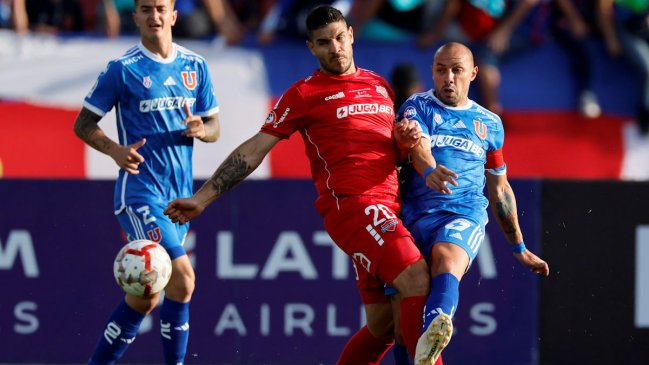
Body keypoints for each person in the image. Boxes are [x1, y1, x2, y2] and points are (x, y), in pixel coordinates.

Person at [164, 5, 437, 364]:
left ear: (351, 35)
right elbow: (254, 149)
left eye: (340, 38)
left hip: (391, 207)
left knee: (384, 324)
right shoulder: (304, 94)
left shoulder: (379, 85)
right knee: (417, 281)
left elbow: (394, 155)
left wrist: (404, 145)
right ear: (311, 47)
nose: (335, 48)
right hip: (354, 207)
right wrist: (203, 198)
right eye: (324, 43)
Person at [72, 0, 221, 363]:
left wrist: (203, 130)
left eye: (160, 8)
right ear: (135, 16)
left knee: (146, 296)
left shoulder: (195, 66)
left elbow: (215, 127)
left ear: (173, 15)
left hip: (178, 198)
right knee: (183, 278)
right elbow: (83, 124)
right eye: (145, 9)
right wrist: (114, 151)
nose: (153, 16)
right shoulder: (123, 69)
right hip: (139, 193)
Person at [392, 41, 550, 364]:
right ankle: (423, 344)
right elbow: (418, 145)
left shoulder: (489, 124)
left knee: (446, 257)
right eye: (440, 70)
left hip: (464, 212)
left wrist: (518, 246)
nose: (448, 78)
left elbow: (500, 188)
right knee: (398, 328)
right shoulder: (417, 106)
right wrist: (430, 169)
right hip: (414, 216)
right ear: (432, 73)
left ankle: (438, 327)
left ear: (473, 74)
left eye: (457, 70)